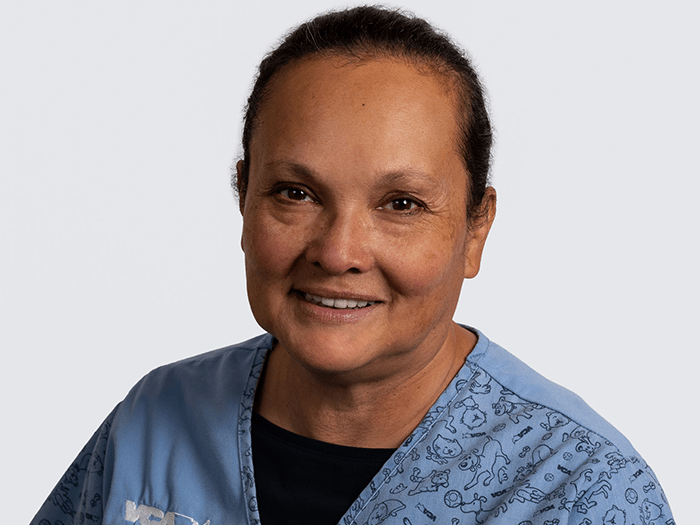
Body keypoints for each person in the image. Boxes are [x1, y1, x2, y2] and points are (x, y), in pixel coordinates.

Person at [32, 6, 674, 525]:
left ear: (476, 228)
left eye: (401, 204)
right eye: (296, 194)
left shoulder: (584, 491)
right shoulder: (153, 423)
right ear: (244, 199)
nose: (338, 253)